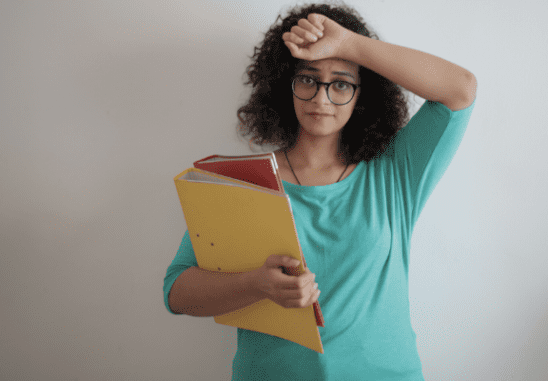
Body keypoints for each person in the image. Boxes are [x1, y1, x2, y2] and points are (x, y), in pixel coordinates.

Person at [163, 2, 476, 380]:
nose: (321, 99)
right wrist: (255, 284)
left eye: (341, 83)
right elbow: (177, 292)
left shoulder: (395, 173)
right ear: (286, 84)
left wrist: (348, 44)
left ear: (362, 94)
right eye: (308, 79)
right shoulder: (243, 181)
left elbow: (460, 89)